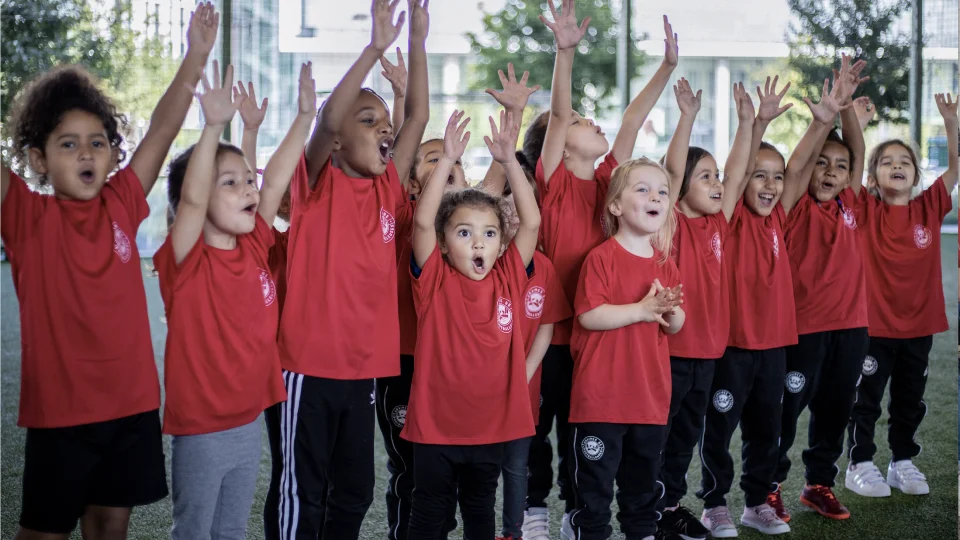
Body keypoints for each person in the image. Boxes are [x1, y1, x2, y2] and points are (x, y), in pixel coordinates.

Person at [0, 4, 219, 538]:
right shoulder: (29, 216)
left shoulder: (122, 202)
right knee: (44, 531)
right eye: (68, 144)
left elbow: (164, 129)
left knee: (109, 527)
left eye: (97, 142)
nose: (86, 153)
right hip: (62, 416)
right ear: (37, 160)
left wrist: (195, 55)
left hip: (132, 408)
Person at [264, 1, 431, 538]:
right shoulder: (315, 186)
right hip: (306, 370)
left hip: (362, 374)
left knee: (353, 493)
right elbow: (329, 117)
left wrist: (420, 40)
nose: (386, 131)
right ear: (335, 140)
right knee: (302, 491)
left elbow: (419, 118)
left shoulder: (387, 190)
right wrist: (374, 48)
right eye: (370, 122)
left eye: (386, 123)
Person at [521, 8, 680, 538]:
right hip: (551, 332)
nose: (596, 125)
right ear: (560, 144)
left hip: (596, 338)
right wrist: (565, 53)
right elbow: (562, 115)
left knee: (584, 430)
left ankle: (577, 512)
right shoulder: (556, 183)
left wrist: (665, 66)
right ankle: (534, 507)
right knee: (537, 428)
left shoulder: (613, 185)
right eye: (585, 124)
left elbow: (632, 121)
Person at [155, 60, 315, 539]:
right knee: (195, 532)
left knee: (231, 532)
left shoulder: (253, 246)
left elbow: (274, 181)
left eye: (248, 179)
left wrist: (305, 117)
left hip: (248, 423)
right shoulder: (185, 262)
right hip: (202, 433)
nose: (249, 188)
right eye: (231, 182)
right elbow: (193, 201)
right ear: (200, 196)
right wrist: (212, 127)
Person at [403, 109, 540, 539]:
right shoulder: (435, 281)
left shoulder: (508, 277)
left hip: (489, 430)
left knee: (480, 512)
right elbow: (423, 221)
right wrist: (447, 160)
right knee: (428, 514)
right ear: (443, 245)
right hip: (435, 431)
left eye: (489, 233)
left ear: (502, 245)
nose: (478, 241)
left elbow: (531, 221)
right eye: (464, 233)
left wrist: (508, 160)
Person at [696, 75, 801, 538]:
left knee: (767, 428)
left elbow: (795, 172)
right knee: (719, 429)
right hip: (732, 346)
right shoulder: (730, 214)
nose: (771, 184)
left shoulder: (779, 214)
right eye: (762, 175)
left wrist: (821, 120)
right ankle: (714, 504)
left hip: (775, 345)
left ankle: (757, 502)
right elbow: (737, 173)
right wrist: (752, 124)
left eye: (777, 177)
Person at [653, 77, 755, 540]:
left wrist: (748, 124)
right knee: (658, 437)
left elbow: (737, 170)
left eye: (717, 177)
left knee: (685, 438)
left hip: (708, 356)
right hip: (669, 354)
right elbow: (672, 175)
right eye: (706, 176)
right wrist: (687, 118)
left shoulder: (720, 223)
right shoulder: (668, 224)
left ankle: (671, 506)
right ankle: (648, 510)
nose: (718, 183)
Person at [771, 55, 870, 522]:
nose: (829, 172)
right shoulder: (793, 208)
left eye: (839, 167)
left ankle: (819, 483)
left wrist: (846, 103)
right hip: (804, 331)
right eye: (822, 165)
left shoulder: (852, 203)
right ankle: (768, 484)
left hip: (852, 329)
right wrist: (825, 118)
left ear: (850, 177)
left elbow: (858, 147)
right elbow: (793, 171)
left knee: (835, 410)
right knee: (787, 411)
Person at [845, 92, 958, 498]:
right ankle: (859, 464)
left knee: (910, 399)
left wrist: (949, 121)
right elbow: (853, 162)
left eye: (905, 161)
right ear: (873, 177)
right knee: (868, 399)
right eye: (887, 162)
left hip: (919, 327)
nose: (897, 166)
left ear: (916, 174)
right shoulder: (864, 210)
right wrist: (853, 121)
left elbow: (954, 169)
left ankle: (901, 461)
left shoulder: (929, 207)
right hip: (874, 328)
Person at [568, 157, 685, 540]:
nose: (656, 196)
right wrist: (641, 309)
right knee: (595, 490)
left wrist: (670, 309)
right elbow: (589, 315)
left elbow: (676, 325)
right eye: (643, 189)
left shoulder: (665, 265)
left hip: (649, 402)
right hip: (601, 400)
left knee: (642, 490)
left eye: (662, 191)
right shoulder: (600, 258)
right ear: (616, 206)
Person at [376, 135, 468, 540]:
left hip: (451, 366)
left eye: (456, 160)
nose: (449, 163)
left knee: (448, 467)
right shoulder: (403, 214)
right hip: (403, 362)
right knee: (410, 466)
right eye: (435, 158)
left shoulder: (472, 228)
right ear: (412, 185)